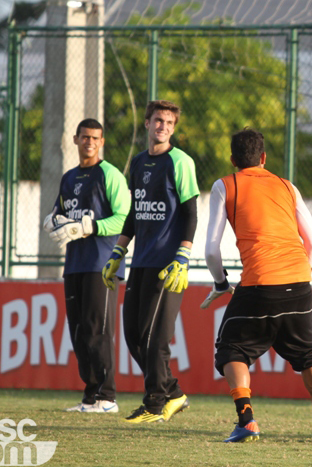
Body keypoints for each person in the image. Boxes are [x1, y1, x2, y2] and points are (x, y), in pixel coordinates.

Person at [202, 128, 312, 444]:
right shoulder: (288, 186)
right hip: (299, 281)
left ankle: (247, 421)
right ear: (263, 158)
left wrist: (221, 283)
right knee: (307, 352)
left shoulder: (226, 185)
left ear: (233, 159)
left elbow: (210, 249)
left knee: (231, 348)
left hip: (259, 283)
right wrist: (298, 273)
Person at [101, 100, 200, 423]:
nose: (163, 127)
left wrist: (183, 255)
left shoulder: (180, 161)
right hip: (140, 262)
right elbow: (133, 213)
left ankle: (156, 403)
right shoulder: (139, 162)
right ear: (147, 124)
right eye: (158, 120)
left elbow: (190, 213)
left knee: (155, 337)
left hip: (168, 264)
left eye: (169, 123)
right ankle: (172, 392)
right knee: (132, 334)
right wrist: (118, 251)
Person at [42, 118, 130, 413]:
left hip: (102, 264)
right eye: (85, 137)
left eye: (95, 138)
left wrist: (89, 227)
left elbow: (123, 218)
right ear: (75, 139)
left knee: (98, 330)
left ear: (102, 142)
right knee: (79, 332)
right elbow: (59, 212)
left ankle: (108, 397)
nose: (89, 142)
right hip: (75, 264)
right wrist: (53, 221)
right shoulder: (68, 178)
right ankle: (91, 396)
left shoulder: (110, 175)